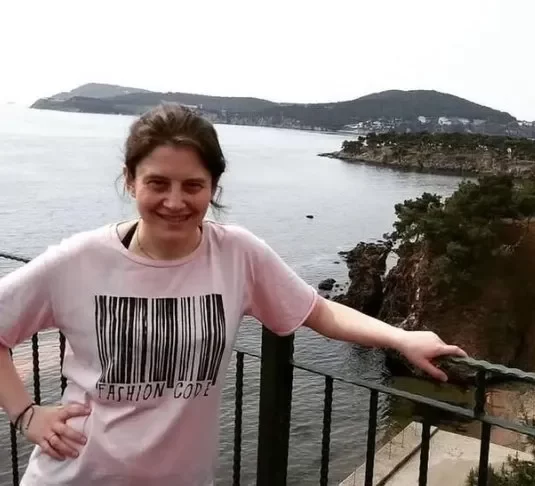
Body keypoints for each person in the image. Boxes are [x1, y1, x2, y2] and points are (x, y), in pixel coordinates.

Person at [0, 103, 467, 486]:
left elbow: (318, 310)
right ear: (130, 180)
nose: (175, 201)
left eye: (193, 186)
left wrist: (400, 338)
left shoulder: (237, 254)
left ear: (213, 187)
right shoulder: (80, 261)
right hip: (77, 475)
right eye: (157, 183)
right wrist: (26, 414)